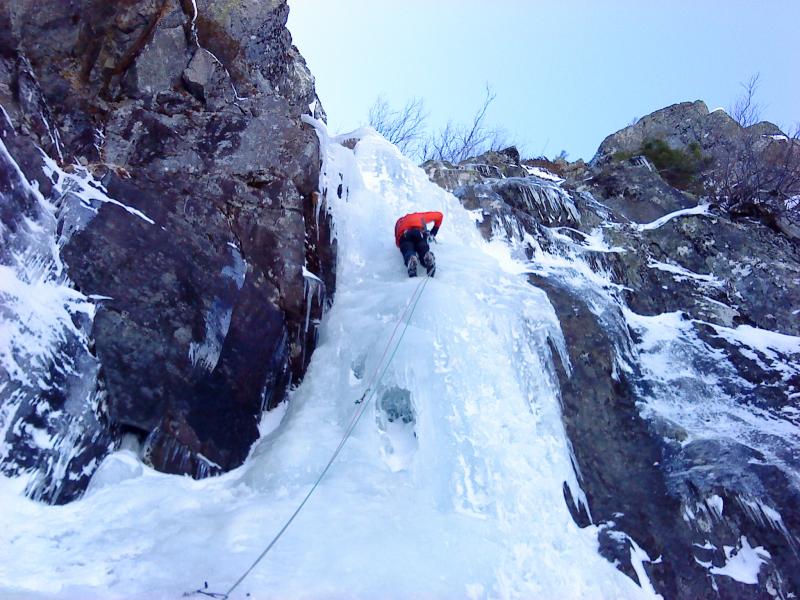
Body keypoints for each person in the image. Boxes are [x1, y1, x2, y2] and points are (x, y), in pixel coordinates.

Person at [394, 211, 443, 277]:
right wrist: (433, 232)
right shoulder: (421, 216)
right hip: (420, 233)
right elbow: (440, 215)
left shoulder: (400, 221)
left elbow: (397, 239)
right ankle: (427, 256)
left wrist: (400, 244)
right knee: (423, 249)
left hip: (405, 235)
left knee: (408, 251)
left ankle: (411, 258)